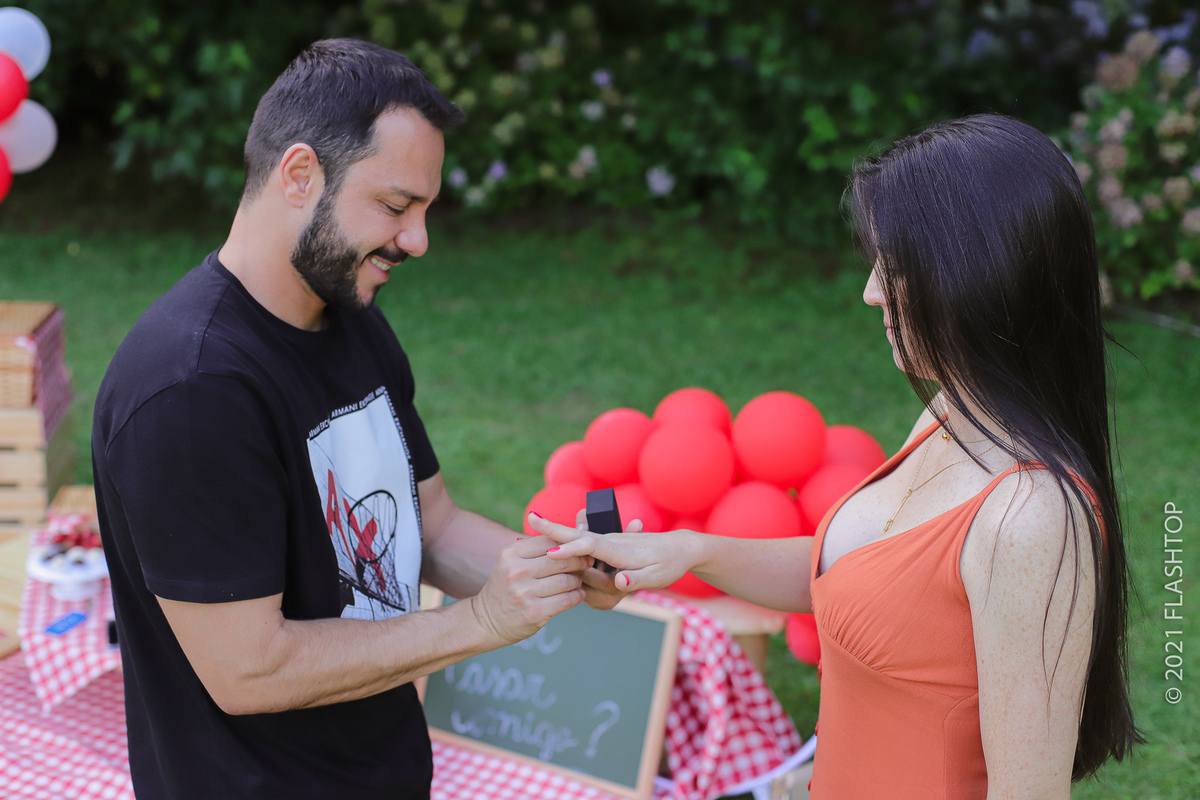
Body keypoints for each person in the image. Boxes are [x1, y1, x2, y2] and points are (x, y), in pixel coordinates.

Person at [532, 114, 1141, 799]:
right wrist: (689, 552)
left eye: (897, 267)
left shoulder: (1031, 519)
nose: (871, 290)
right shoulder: (951, 411)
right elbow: (857, 581)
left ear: (978, 277)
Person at [91, 39, 620, 800]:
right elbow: (249, 669)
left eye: (425, 210)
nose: (418, 240)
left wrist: (560, 570)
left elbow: (433, 525)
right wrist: (481, 622)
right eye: (397, 207)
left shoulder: (349, 314)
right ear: (299, 175)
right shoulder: (191, 389)